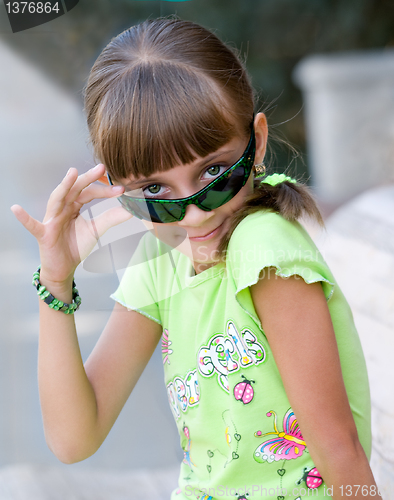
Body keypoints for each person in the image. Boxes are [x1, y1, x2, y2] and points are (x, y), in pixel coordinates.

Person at [11, 17, 380, 500]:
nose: (193, 212)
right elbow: (75, 437)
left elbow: (338, 446)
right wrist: (56, 280)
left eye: (215, 172)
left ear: (258, 141)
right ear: (120, 192)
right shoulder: (160, 258)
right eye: (156, 191)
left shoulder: (262, 247)